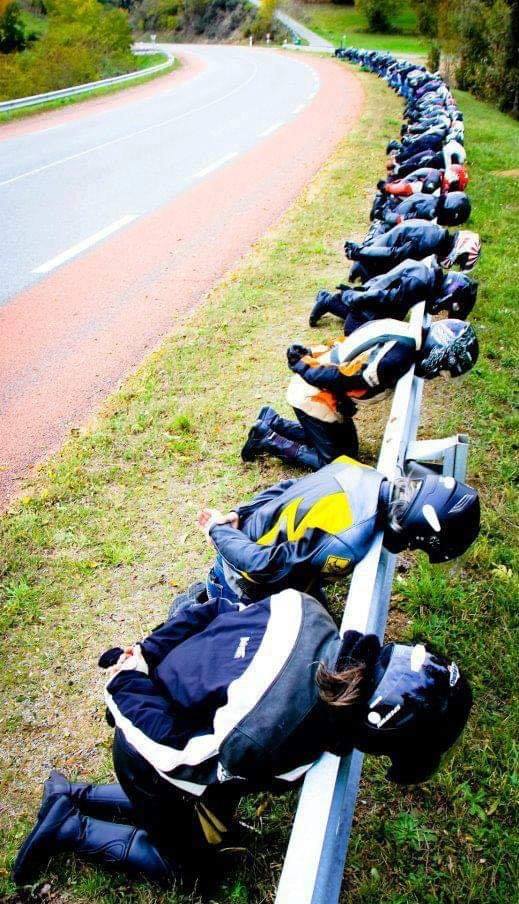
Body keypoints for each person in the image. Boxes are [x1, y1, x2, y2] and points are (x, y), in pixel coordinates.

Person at [13, 594, 473, 886]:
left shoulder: (306, 607)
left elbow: (214, 609)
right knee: (191, 871)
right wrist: (126, 682)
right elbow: (177, 756)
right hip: (150, 742)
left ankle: (74, 793)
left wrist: (149, 652)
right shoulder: (267, 735)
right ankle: (68, 827)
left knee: (192, 813)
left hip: (177, 681)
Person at [197, 458, 480, 606]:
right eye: (417, 546)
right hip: (243, 584)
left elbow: (290, 486)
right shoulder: (346, 542)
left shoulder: (364, 472)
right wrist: (217, 529)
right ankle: (196, 607)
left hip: (264, 548)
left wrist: (240, 513)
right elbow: (263, 566)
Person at [241, 319, 478, 471]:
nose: (437, 374)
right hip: (314, 394)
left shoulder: (404, 332)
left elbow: (348, 347)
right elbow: (338, 377)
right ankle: (267, 439)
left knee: (348, 450)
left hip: (324, 393)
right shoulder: (394, 360)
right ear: (437, 354)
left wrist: (310, 356)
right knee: (339, 466)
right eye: (443, 370)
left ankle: (273, 422)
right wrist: (302, 364)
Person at [309, 258, 478, 331]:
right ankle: (329, 301)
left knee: (394, 316)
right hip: (368, 305)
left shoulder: (426, 275)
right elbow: (383, 297)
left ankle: (333, 300)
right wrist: (352, 297)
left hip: (374, 289)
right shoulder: (419, 285)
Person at [344, 222, 481, 283]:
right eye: (458, 261)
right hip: (370, 266)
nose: (453, 264)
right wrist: (359, 252)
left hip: (372, 256)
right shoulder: (429, 242)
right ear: (458, 251)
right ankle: (327, 301)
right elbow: (393, 254)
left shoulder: (436, 233)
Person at [371, 190, 471, 230]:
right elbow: (402, 219)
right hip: (401, 214)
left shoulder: (435, 203)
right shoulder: (430, 212)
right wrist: (383, 214)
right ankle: (381, 205)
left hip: (410, 205)